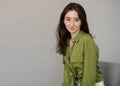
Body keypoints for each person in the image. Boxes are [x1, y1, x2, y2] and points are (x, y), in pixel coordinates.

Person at [56, 2, 105, 86]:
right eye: (68, 19)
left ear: (82, 21)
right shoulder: (67, 41)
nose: (71, 24)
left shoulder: (87, 41)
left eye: (76, 20)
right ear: (63, 21)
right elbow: (67, 74)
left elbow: (89, 75)